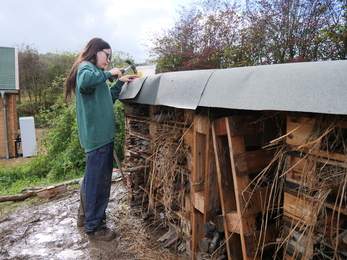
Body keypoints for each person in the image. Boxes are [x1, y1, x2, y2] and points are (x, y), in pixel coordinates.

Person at [64, 37, 139, 241]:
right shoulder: (86, 68)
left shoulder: (94, 73)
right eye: (107, 56)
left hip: (100, 137)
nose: (108, 60)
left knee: (91, 180)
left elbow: (107, 99)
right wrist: (109, 73)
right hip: (97, 138)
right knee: (99, 183)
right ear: (95, 51)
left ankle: (84, 218)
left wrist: (118, 83)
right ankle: (95, 227)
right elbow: (85, 82)